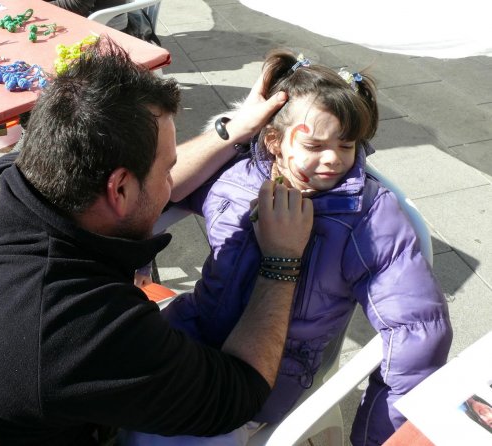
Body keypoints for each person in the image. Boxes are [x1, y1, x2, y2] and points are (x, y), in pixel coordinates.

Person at [0, 39, 314, 445]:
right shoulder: (81, 329)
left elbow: (141, 184)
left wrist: (232, 131)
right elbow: (238, 394)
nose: (172, 184)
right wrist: (281, 261)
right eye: (166, 171)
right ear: (118, 190)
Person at [124, 50, 453, 445]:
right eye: (314, 146)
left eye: (346, 145)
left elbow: (416, 331)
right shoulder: (236, 175)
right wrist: (133, 254)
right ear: (274, 141)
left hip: (269, 375)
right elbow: (154, 199)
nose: (333, 160)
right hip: (191, 333)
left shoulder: (367, 217)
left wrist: (379, 436)